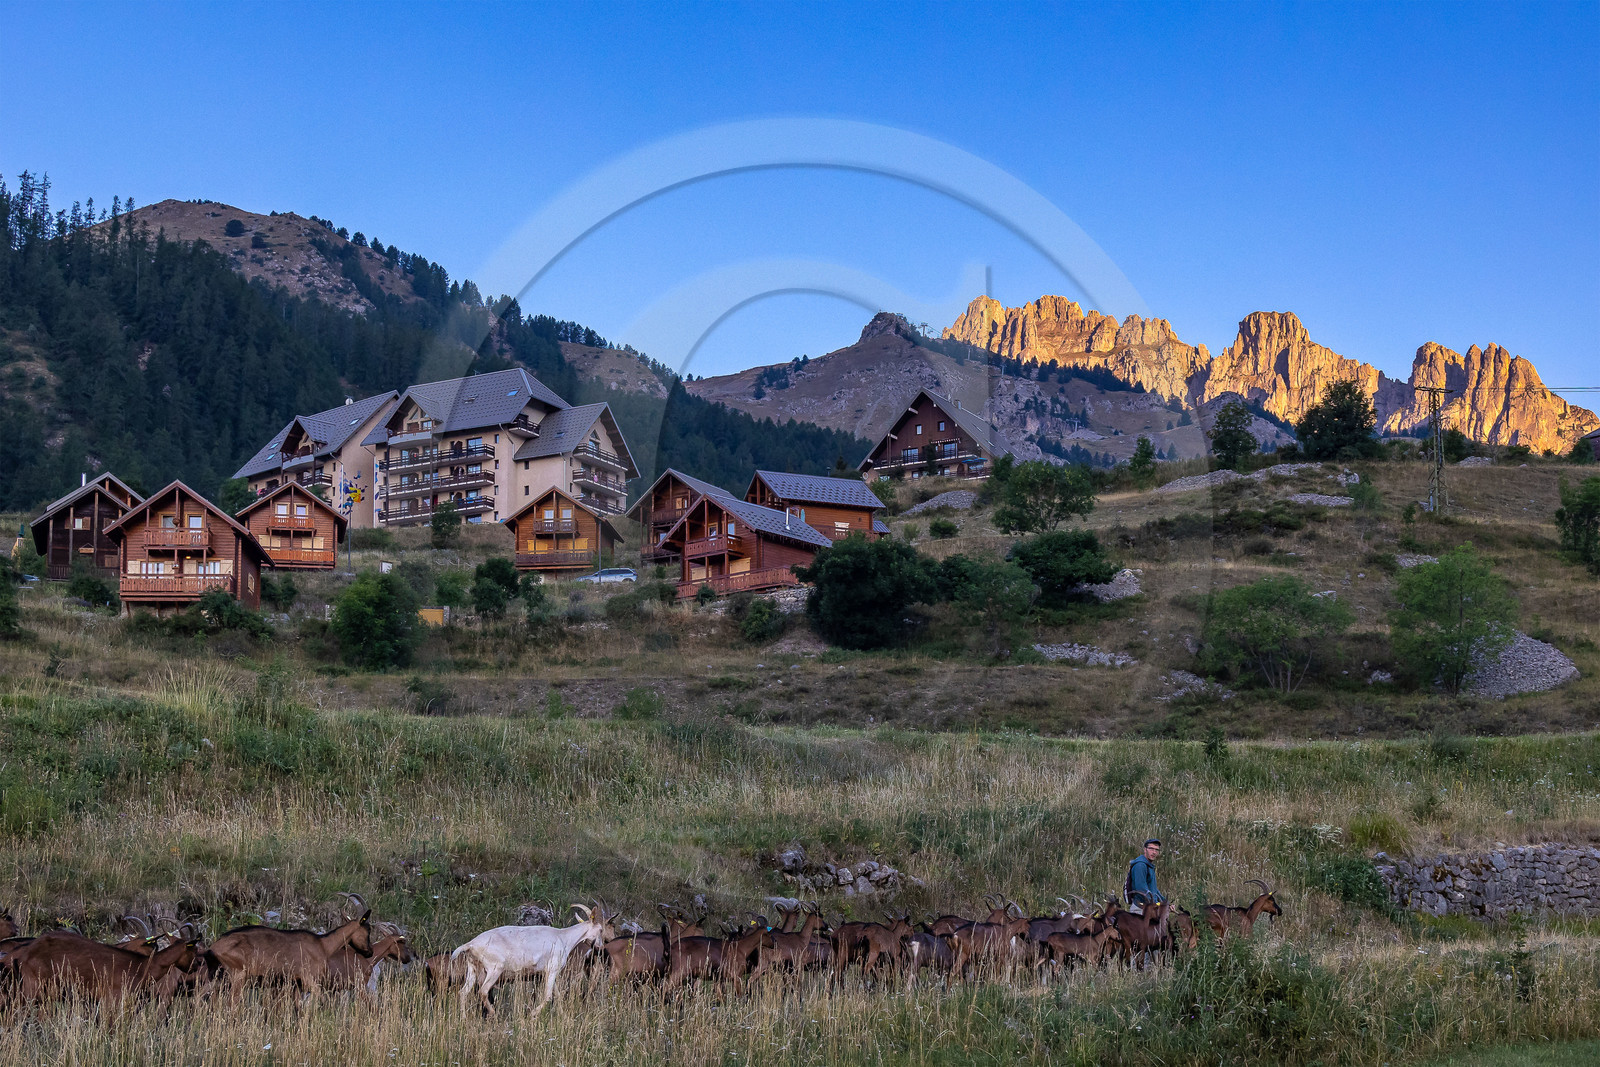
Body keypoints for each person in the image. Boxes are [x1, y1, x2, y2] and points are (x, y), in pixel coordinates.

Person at [1125, 839, 1164, 912]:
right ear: (1145, 849)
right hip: (1140, 910)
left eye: (1156, 850)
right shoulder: (1140, 865)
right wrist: (1156, 904)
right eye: (1151, 849)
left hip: (1149, 908)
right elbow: (1141, 889)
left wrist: (1165, 902)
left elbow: (1154, 890)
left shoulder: (1149, 866)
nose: (1154, 852)